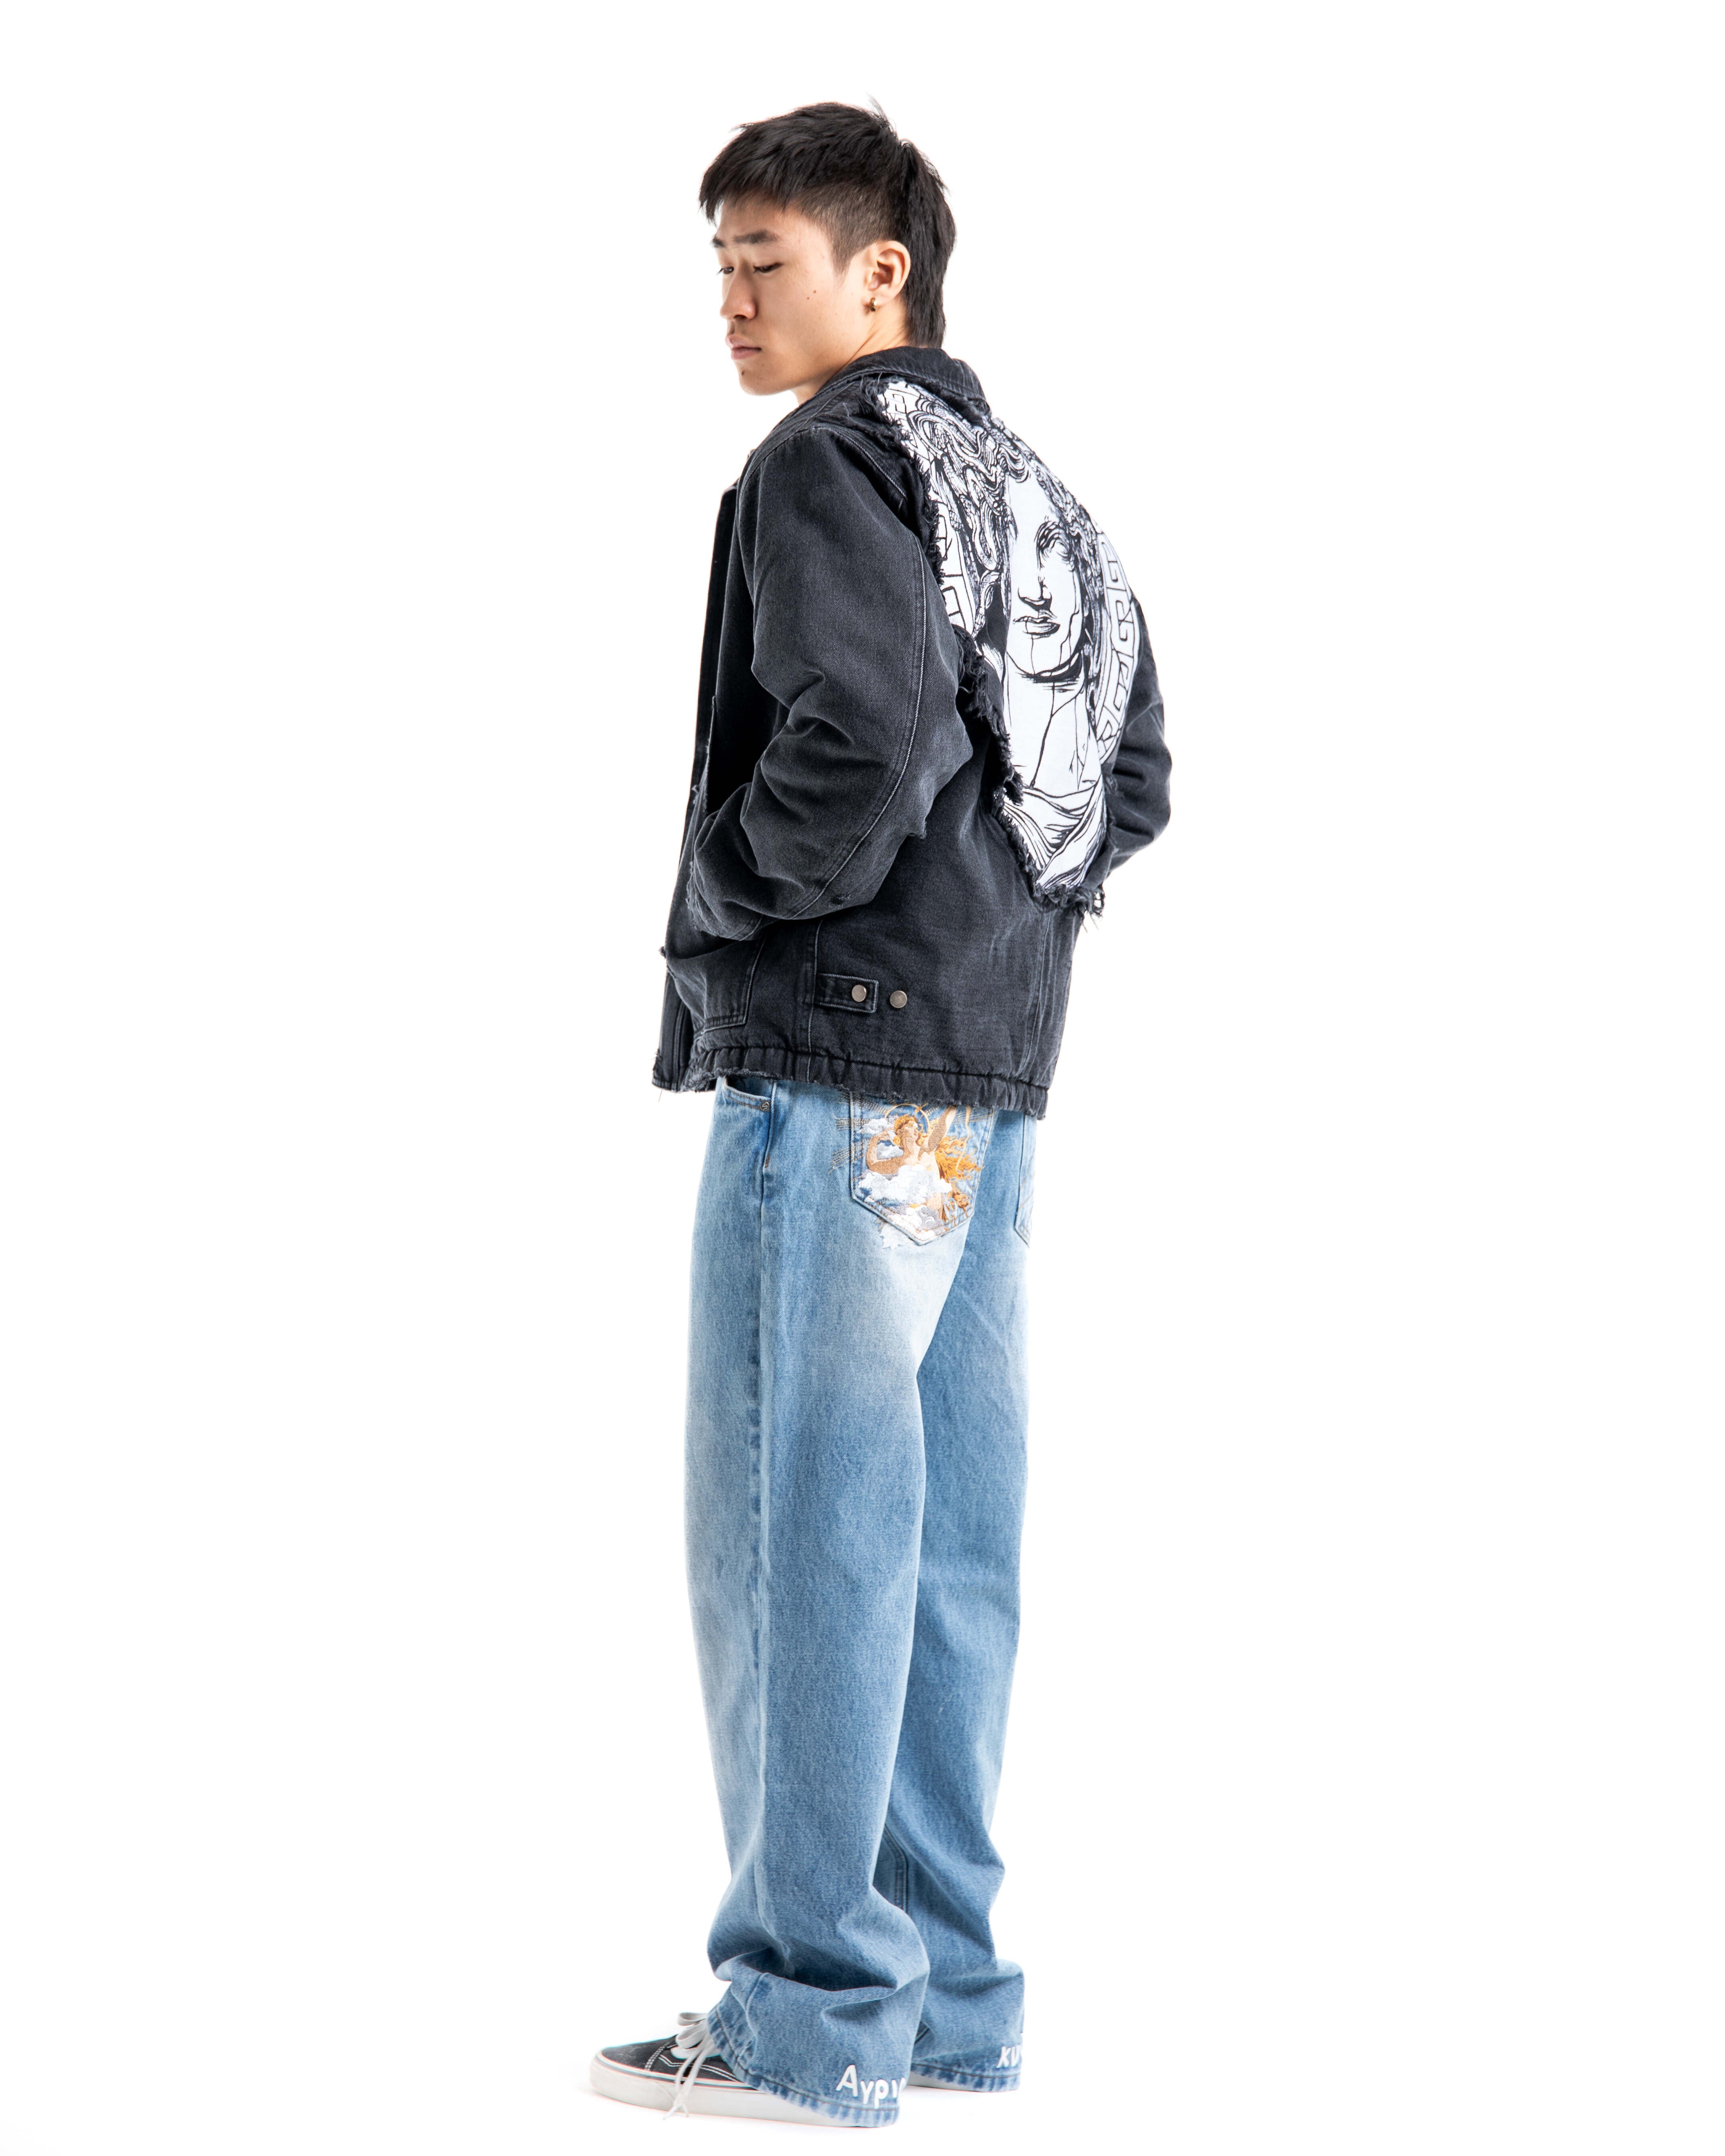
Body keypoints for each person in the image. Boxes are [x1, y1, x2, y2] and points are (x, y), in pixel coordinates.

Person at [592, 101, 1171, 2129]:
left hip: (839, 1078)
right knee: (941, 1540)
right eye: (719, 267)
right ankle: (940, 1998)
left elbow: (866, 729)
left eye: (765, 261)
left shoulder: (829, 461)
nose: (732, 302)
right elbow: (1132, 772)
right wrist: (991, 931)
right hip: (984, 1088)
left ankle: (807, 2013)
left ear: (881, 273)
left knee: (797, 1519)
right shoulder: (1027, 492)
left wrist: (732, 887)